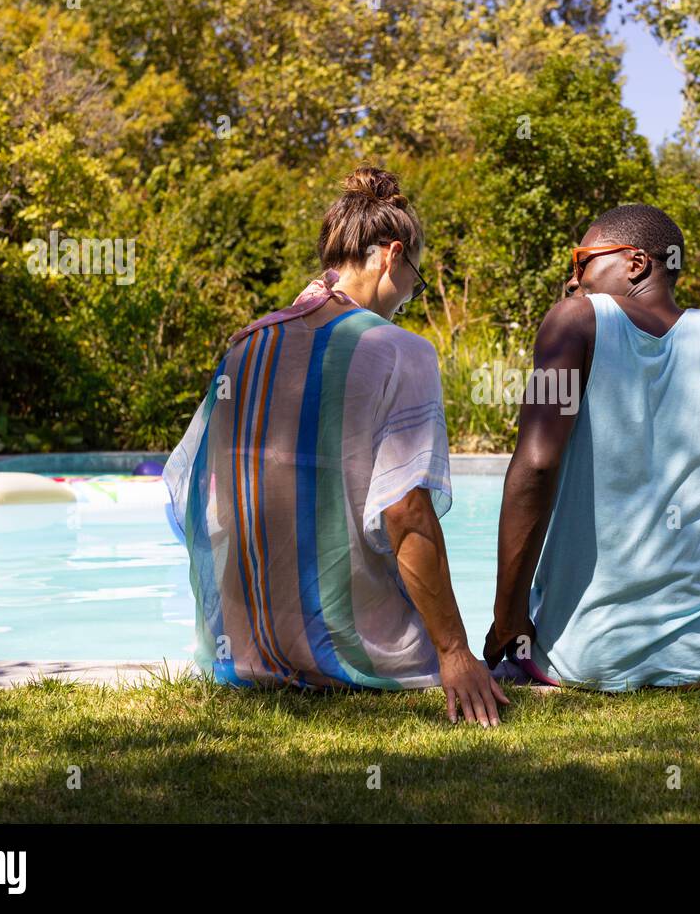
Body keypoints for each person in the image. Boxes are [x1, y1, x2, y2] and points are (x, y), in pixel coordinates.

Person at [166, 165, 507, 726]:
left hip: (242, 653)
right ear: (392, 256)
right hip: (356, 656)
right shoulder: (401, 351)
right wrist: (454, 653)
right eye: (415, 281)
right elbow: (405, 511)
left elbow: (195, 495)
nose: (409, 299)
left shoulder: (247, 346)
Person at [484, 204, 700, 690]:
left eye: (581, 261)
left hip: (580, 658)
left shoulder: (574, 323)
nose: (572, 280)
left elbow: (538, 466)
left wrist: (508, 618)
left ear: (636, 263)